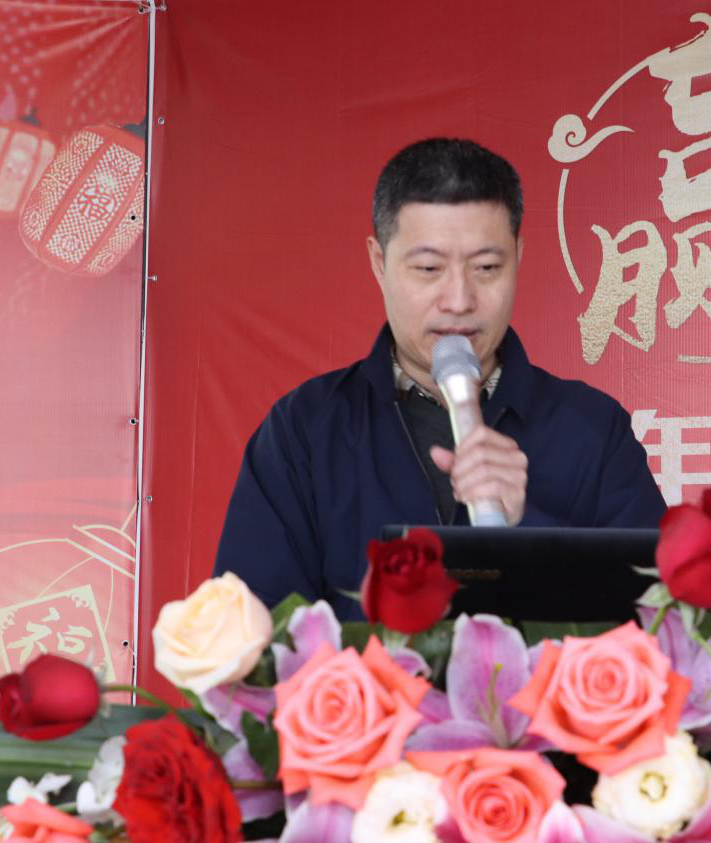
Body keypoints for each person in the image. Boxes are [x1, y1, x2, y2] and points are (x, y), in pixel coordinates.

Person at [214, 138, 665, 615]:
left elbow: (662, 622)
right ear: (379, 263)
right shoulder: (303, 431)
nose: (459, 301)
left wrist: (526, 529)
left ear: (518, 257)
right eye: (429, 268)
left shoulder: (594, 429)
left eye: (486, 267)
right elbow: (256, 630)